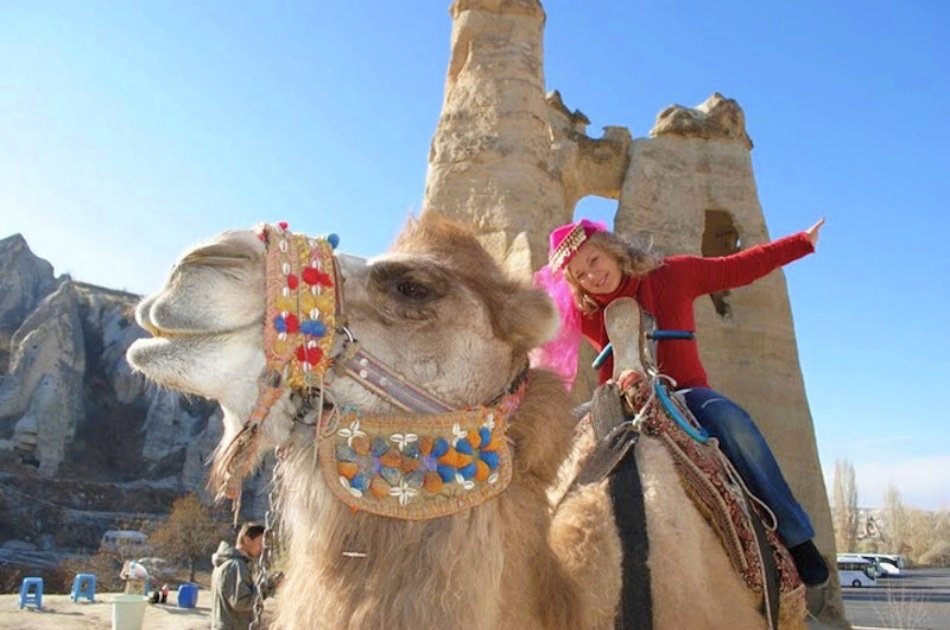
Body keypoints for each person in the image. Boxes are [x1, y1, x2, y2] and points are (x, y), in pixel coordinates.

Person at [536, 217, 830, 586]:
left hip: (684, 392)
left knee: (731, 421)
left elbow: (740, 268)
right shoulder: (584, 312)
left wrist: (801, 242)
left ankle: (796, 536)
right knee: (559, 443)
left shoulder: (673, 275)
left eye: (593, 261)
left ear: (611, 250)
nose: (592, 277)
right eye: (579, 275)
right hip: (618, 399)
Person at [210, 522, 266, 629]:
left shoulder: (225, 563)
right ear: (247, 540)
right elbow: (241, 602)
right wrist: (267, 588)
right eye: (260, 542)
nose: (261, 548)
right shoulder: (236, 565)